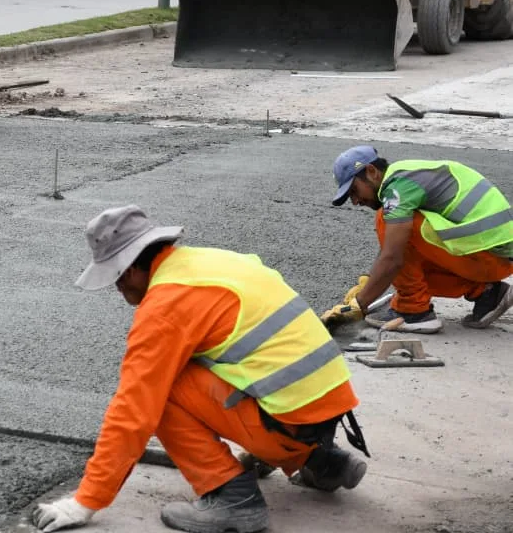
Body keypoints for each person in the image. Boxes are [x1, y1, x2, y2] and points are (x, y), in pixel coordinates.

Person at [32, 205, 368, 533]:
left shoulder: (166, 306)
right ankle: (323, 462)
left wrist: (86, 501)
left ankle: (233, 497)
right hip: (325, 410)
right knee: (196, 364)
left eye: (116, 278)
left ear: (131, 269)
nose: (118, 290)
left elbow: (132, 410)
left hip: (289, 421)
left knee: (160, 392)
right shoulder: (210, 261)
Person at [322, 145, 513, 334]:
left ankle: (412, 311)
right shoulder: (406, 176)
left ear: (372, 172)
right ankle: (486, 292)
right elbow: (393, 248)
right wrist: (368, 283)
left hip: (491, 258)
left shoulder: (397, 187)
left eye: (354, 191)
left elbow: (392, 257)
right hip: (493, 259)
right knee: (409, 267)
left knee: (386, 221)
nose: (355, 201)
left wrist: (358, 305)